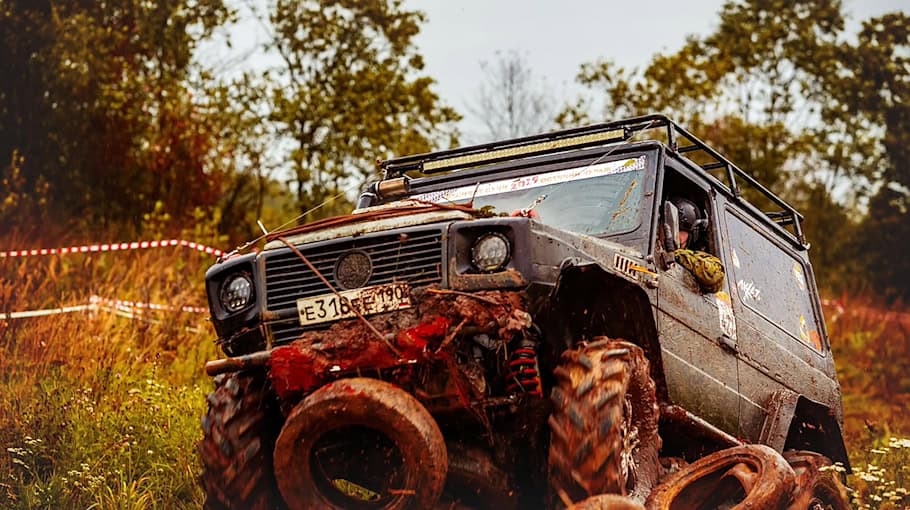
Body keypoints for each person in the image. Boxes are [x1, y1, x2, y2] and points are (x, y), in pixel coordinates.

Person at [667, 197, 725, 294]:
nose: (674, 234)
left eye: (680, 230)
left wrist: (677, 254)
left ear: (691, 235)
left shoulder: (692, 257)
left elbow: (715, 275)